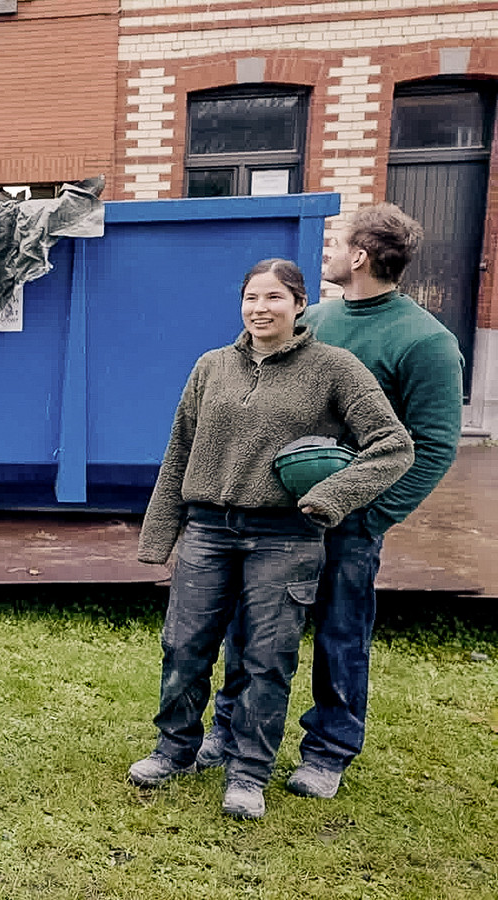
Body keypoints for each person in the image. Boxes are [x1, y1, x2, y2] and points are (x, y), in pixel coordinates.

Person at [131, 258, 413, 819]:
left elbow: (393, 445)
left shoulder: (335, 368)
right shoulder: (211, 366)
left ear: (300, 304)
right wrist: (159, 534)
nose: (261, 309)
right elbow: (180, 449)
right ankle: (175, 750)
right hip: (208, 531)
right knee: (184, 646)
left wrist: (331, 496)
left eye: (275, 298)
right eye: (252, 298)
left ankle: (248, 773)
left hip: (285, 537)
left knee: (268, 657)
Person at [201, 205, 465, 800]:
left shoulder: (426, 341)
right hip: (278, 518)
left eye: (338, 243)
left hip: (351, 523)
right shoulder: (314, 319)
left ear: (360, 256)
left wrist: (371, 516)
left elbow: (433, 444)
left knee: (341, 634)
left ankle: (328, 751)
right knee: (251, 629)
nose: (328, 252)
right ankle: (230, 727)